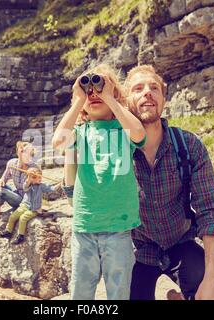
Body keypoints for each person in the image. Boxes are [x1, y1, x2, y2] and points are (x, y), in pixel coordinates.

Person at [124, 65, 214, 300]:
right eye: (138, 88)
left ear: (164, 98)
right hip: (138, 252)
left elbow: (210, 211)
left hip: (181, 243)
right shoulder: (116, 153)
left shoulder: (188, 146)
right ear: (126, 101)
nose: (147, 93)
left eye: (154, 88)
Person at [52, 63, 147, 300]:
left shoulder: (123, 129)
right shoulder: (81, 132)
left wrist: (111, 98)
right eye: (89, 89)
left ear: (114, 93)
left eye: (101, 86)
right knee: (81, 291)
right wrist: (78, 99)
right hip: (84, 227)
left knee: (118, 291)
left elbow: (139, 133)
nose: (94, 93)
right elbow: (58, 142)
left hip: (119, 228)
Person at [0, 167, 61, 245]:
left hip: (34, 209)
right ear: (31, 178)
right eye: (36, 177)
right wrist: (29, 178)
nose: (40, 179)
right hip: (24, 206)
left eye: (40, 177)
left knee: (23, 218)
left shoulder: (41, 186)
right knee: (12, 217)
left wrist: (60, 184)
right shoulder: (28, 185)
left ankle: (20, 236)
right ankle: (8, 231)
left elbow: (52, 188)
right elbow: (25, 188)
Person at [0, 141, 37, 225]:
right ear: (18, 152)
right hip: (15, 193)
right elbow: (3, 179)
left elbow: (37, 187)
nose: (26, 155)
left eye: (30, 153)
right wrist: (1, 181)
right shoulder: (11, 163)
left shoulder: (34, 168)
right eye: (23, 152)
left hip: (23, 200)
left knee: (0, 192)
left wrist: (31, 178)